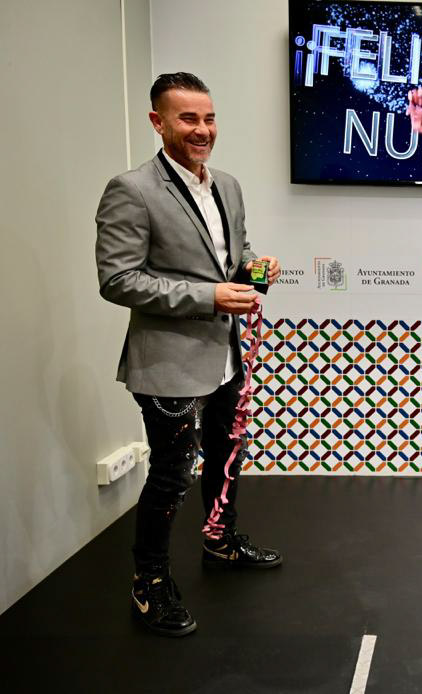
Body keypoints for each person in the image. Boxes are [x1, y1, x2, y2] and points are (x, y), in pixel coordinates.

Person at [96, 73, 284, 637]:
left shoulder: (225, 184)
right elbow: (118, 280)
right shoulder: (130, 189)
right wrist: (209, 295)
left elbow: (231, 252)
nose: (202, 130)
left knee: (227, 453)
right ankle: (149, 584)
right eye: (187, 119)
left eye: (208, 118)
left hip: (225, 353)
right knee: (172, 474)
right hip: (168, 362)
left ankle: (221, 542)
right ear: (158, 122)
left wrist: (255, 267)